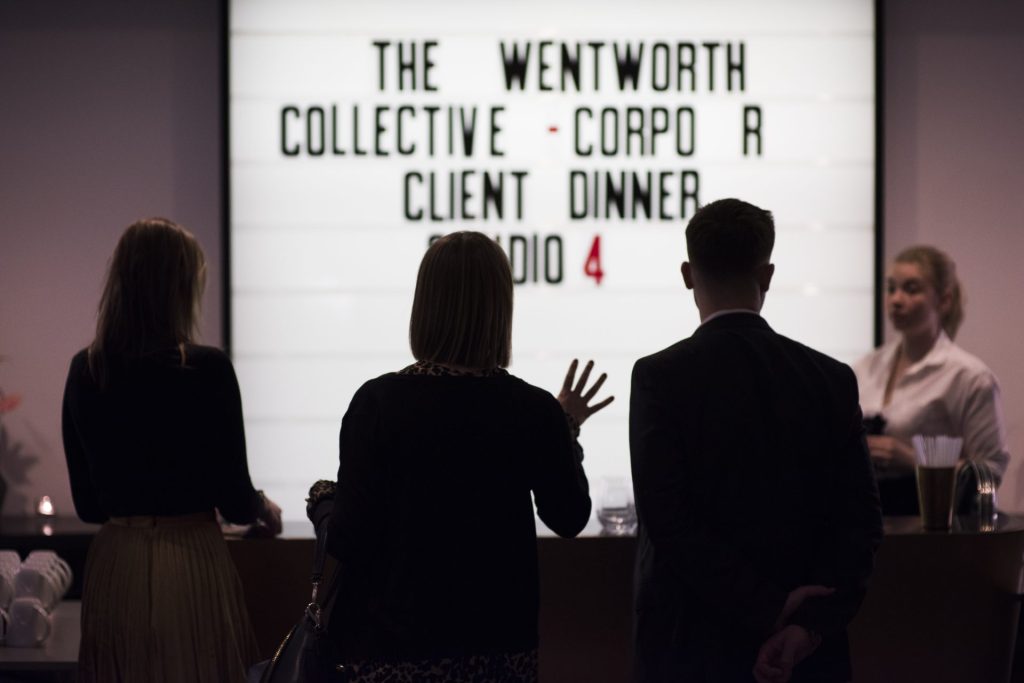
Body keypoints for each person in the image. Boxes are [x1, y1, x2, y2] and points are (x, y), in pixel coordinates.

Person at [325, 231, 612, 682]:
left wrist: (324, 502)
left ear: (425, 306)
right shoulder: (532, 409)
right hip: (499, 651)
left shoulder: (377, 403)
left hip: (395, 650)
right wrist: (565, 427)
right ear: (500, 309)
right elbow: (569, 516)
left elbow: (347, 540)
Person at [629, 198, 883, 683]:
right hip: (809, 658)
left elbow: (668, 522)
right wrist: (806, 626)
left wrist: (765, 606)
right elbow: (861, 524)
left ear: (688, 273)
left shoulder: (659, 377)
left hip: (691, 648)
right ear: (766, 275)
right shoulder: (829, 378)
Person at [62, 218, 282, 682]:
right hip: (191, 568)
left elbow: (86, 505)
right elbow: (236, 499)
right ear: (179, 289)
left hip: (116, 566)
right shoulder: (208, 370)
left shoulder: (86, 370)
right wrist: (262, 507)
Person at [853, 245, 1010, 514]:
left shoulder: (968, 376)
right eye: (891, 288)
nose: (896, 299)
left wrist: (916, 461)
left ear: (944, 300)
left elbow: (989, 473)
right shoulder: (866, 366)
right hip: (865, 519)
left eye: (911, 289)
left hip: (932, 525)